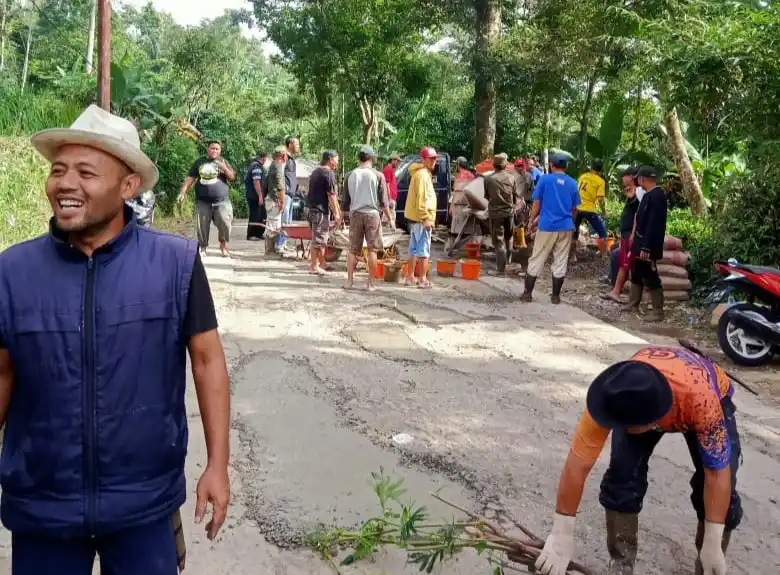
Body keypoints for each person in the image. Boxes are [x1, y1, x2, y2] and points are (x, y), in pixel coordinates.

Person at [0, 105, 231, 575]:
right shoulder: (12, 271)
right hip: (44, 503)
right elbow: (3, 371)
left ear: (128, 186)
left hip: (144, 503)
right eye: (58, 170)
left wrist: (218, 466)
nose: (65, 184)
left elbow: (208, 362)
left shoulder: (176, 264)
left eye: (86, 172)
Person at [533, 346, 741, 575]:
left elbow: (717, 473)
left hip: (703, 391)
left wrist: (712, 541)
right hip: (645, 394)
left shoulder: (701, 402)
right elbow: (577, 464)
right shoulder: (612, 395)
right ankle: (621, 564)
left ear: (654, 421)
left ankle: (709, 562)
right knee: (622, 475)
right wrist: (561, 534)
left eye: (630, 426)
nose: (622, 430)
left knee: (716, 487)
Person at [522, 154, 580, 304]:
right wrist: (570, 223)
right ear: (565, 166)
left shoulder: (545, 179)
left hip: (547, 225)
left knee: (537, 257)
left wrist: (530, 221)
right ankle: (555, 296)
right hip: (565, 226)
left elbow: (536, 203)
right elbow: (575, 209)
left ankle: (527, 294)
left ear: (552, 166)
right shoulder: (573, 183)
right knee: (561, 260)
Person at [342, 145, 395, 291]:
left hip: (356, 214)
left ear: (359, 158)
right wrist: (390, 219)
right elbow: (384, 202)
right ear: (372, 158)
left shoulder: (350, 175)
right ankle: (370, 284)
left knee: (353, 250)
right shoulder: (378, 175)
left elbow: (345, 201)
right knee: (372, 250)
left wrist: (341, 217)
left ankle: (349, 282)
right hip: (372, 215)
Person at [624, 165, 668, 321]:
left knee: (650, 275)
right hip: (640, 240)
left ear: (642, 179)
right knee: (636, 272)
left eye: (639, 178)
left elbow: (653, 224)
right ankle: (633, 303)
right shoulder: (649, 195)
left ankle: (657, 311)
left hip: (648, 244)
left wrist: (646, 247)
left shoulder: (657, 196)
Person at [179, 139, 236, 258]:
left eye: (217, 149)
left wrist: (224, 168)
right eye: (212, 148)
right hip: (203, 201)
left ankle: (223, 245)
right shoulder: (200, 162)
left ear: (220, 151)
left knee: (225, 223)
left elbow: (232, 177)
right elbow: (190, 178)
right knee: (202, 225)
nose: (214, 150)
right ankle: (203, 247)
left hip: (221, 201)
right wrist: (183, 192)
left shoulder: (223, 161)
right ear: (208, 149)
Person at [601, 171, 641, 302]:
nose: (625, 184)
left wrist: (633, 234)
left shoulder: (640, 192)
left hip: (631, 234)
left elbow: (638, 215)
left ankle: (618, 291)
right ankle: (616, 290)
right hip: (627, 234)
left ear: (632, 177)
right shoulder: (633, 192)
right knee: (624, 262)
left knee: (626, 263)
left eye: (627, 181)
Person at [404, 146, 438, 288]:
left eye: (434, 158)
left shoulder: (418, 173)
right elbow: (422, 200)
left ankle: (410, 277)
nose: (433, 161)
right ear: (423, 159)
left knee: (413, 249)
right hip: (421, 219)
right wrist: (425, 218)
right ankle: (423, 279)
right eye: (430, 159)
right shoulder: (423, 175)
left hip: (415, 219)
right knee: (424, 251)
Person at [307, 150, 342, 275]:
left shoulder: (316, 172)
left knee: (321, 238)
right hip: (319, 210)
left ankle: (322, 263)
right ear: (330, 159)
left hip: (311, 209)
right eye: (337, 159)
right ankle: (313, 265)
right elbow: (331, 196)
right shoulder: (328, 173)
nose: (337, 162)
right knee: (317, 239)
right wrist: (337, 214)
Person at [484, 153, 520, 274]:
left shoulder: (488, 179)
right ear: (505, 166)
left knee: (498, 242)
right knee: (509, 237)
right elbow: (515, 198)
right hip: (509, 212)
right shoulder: (512, 178)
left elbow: (487, 197)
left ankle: (500, 270)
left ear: (493, 165)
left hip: (496, 214)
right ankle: (508, 263)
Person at [575, 159, 608, 259]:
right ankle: (604, 256)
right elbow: (601, 200)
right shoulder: (600, 181)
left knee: (574, 233)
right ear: (601, 170)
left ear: (591, 167)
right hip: (589, 209)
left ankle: (572, 256)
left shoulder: (582, 176)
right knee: (602, 233)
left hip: (578, 208)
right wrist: (603, 212)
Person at [264, 146, 288, 255]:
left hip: (271, 198)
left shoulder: (272, 165)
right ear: (283, 156)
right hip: (275, 200)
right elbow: (280, 186)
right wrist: (282, 201)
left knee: (273, 224)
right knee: (273, 226)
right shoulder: (278, 166)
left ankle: (271, 250)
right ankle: (270, 251)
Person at [245, 151, 268, 241]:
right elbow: (256, 181)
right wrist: (260, 196)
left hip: (258, 195)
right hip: (254, 196)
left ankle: (258, 234)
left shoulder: (259, 166)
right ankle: (251, 234)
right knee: (255, 215)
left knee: (262, 215)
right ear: (263, 158)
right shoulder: (256, 166)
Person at [284, 136, 300, 224]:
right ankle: (280, 238)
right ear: (290, 145)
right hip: (285, 194)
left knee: (288, 223)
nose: (298, 146)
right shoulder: (284, 158)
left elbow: (292, 177)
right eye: (297, 144)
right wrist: (285, 189)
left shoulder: (292, 160)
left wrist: (297, 190)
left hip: (291, 194)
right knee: (284, 222)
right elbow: (279, 175)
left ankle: (284, 238)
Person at [382, 152, 401, 225]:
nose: (398, 164)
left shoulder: (391, 170)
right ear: (393, 160)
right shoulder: (387, 170)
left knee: (390, 217)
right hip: (390, 198)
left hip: (392, 198)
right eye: (397, 161)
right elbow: (387, 184)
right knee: (390, 218)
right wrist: (389, 198)